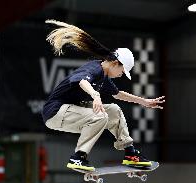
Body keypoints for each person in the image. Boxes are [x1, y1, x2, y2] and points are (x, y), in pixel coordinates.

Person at [42, 20, 165, 171]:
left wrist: (143, 101)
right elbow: (81, 81)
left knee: (114, 110)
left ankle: (130, 153)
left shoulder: (104, 76)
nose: (120, 75)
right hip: (55, 112)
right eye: (122, 71)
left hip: (70, 110)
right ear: (115, 63)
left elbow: (118, 94)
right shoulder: (94, 69)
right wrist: (96, 95)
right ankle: (78, 157)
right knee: (100, 116)